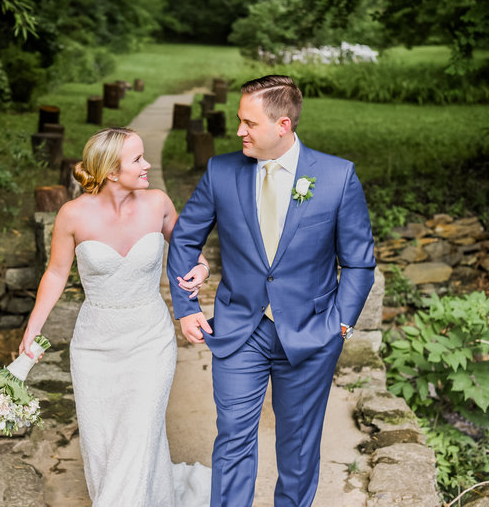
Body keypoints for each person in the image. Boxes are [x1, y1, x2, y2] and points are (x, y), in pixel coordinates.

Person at [167, 75, 376, 507]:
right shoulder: (220, 171)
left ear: (283, 125)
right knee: (233, 439)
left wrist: (340, 327)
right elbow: (186, 238)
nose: (239, 130)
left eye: (249, 122)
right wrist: (186, 307)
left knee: (298, 449)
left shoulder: (337, 177)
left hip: (312, 333)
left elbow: (358, 262)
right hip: (239, 328)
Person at [19, 127, 212, 506]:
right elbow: (56, 273)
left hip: (149, 341)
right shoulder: (72, 215)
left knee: (140, 431)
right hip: (95, 345)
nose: (148, 164)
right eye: (138, 159)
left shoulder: (158, 204)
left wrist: (202, 269)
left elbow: (190, 250)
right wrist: (33, 329)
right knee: (104, 440)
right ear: (110, 171)